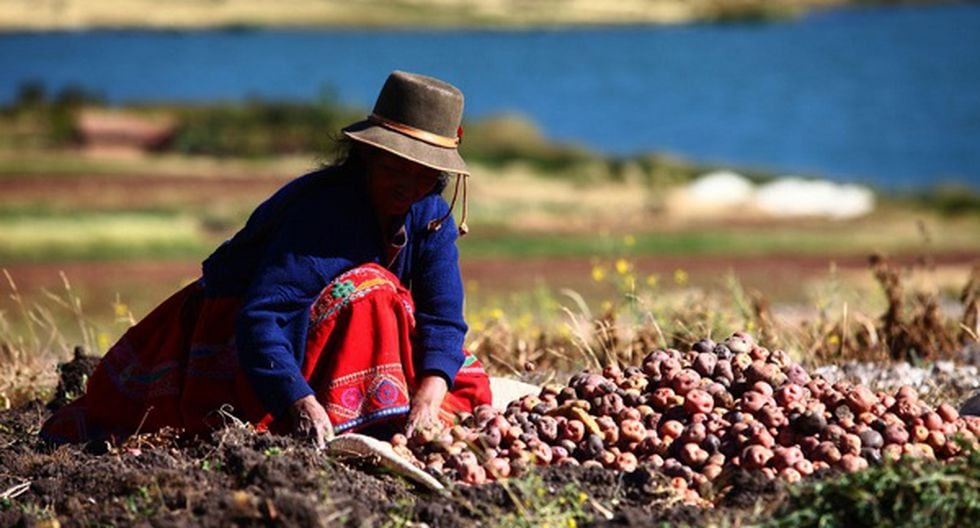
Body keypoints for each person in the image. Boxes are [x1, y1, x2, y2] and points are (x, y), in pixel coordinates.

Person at [41, 71, 493, 448]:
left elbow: (441, 316)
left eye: (424, 174)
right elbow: (261, 319)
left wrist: (430, 394)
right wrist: (299, 402)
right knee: (373, 292)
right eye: (396, 167)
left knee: (459, 376)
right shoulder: (325, 212)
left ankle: (381, 407)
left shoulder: (431, 215)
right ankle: (359, 412)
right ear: (367, 156)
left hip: (323, 331)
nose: (408, 185)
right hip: (238, 334)